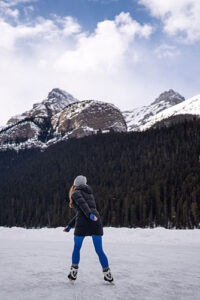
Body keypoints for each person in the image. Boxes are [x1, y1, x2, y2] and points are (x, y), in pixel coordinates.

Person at [63, 175, 114, 283]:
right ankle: (107, 274)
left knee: (77, 248)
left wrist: (89, 214)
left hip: (83, 222)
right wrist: (70, 225)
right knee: (99, 250)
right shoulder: (90, 193)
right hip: (95, 221)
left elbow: (83, 205)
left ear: (75, 184)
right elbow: (81, 211)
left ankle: (73, 273)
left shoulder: (75, 193)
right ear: (84, 184)